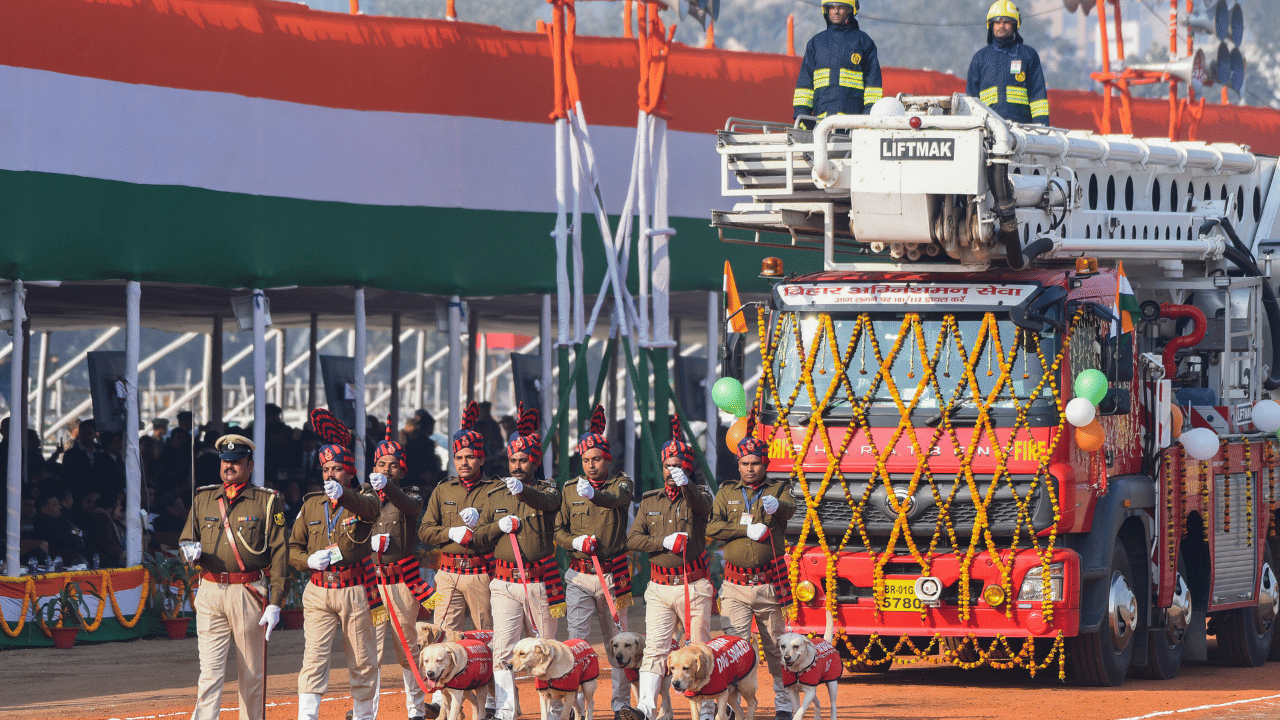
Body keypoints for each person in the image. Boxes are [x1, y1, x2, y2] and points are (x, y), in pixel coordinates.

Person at [179, 434, 287, 720]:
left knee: (251, 672)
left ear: (249, 466)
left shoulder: (266, 501)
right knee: (209, 672)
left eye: (236, 462)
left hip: (247, 591)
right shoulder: (204, 499)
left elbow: (279, 555)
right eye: (225, 461)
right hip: (210, 590)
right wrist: (188, 552)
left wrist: (275, 601)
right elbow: (186, 541)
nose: (229, 466)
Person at [474, 404, 565, 720]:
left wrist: (524, 492)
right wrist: (496, 527)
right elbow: (479, 537)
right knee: (502, 649)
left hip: (539, 581)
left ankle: (553, 709)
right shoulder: (496, 494)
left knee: (545, 648)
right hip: (503, 583)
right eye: (512, 460)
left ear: (535, 461)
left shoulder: (548, 488)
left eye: (523, 460)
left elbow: (549, 503)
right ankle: (505, 709)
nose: (516, 465)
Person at [623, 417, 715, 720]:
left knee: (697, 650)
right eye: (667, 465)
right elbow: (634, 538)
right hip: (660, 587)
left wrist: (686, 483)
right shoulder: (651, 500)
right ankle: (646, 709)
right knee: (655, 649)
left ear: (688, 468)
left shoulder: (699, 496)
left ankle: (705, 709)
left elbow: (702, 506)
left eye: (677, 465)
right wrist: (664, 541)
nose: (671, 471)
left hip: (694, 585)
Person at [289, 434, 382, 720]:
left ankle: (364, 715)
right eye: (326, 469)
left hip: (355, 589)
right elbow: (293, 549)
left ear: (350, 472)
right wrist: (307, 561)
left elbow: (370, 510)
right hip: (318, 589)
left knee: (362, 659)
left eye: (337, 468)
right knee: (314, 657)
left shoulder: (365, 500)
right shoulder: (311, 506)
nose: (330, 474)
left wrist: (344, 495)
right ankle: (308, 716)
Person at [707, 431, 797, 720]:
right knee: (736, 648)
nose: (749, 468)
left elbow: (791, 508)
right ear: (738, 464)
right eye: (744, 463)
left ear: (765, 464)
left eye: (755, 463)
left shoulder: (779, 489)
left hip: (769, 584)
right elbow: (712, 528)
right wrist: (744, 529)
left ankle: (783, 702)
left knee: (776, 647)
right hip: (734, 585)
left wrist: (778, 507)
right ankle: (733, 705)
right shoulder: (726, 492)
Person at [554, 405, 633, 717]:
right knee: (577, 642)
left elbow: (615, 501)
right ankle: (573, 705)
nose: (591, 465)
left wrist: (594, 496)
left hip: (614, 577)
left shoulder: (621, 484)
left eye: (596, 459)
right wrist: (574, 541)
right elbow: (558, 530)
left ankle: (621, 704)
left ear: (607, 459)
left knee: (620, 644)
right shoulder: (569, 488)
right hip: (579, 574)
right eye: (586, 460)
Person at [365, 420, 436, 720]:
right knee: (369, 650)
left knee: (408, 645)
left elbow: (410, 507)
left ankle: (416, 710)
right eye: (382, 464)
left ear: (402, 469)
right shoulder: (363, 498)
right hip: (370, 582)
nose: (387, 469)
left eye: (393, 465)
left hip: (401, 582)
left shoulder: (413, 493)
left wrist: (390, 489)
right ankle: (365, 711)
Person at [418, 401, 500, 636]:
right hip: (447, 573)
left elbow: (503, 530)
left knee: (487, 634)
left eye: (470, 457)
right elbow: (425, 530)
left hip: (481, 573)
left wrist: (482, 523)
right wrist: (450, 533)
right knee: (443, 636)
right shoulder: (444, 489)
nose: (463, 462)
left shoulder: (495, 488)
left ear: (481, 459)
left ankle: (491, 674)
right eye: (459, 457)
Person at [792, 0, 882, 126]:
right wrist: (803, 119)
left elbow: (873, 87)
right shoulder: (816, 43)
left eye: (841, 7)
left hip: (854, 125)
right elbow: (804, 86)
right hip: (821, 124)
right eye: (832, 7)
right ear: (826, 10)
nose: (835, 11)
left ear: (850, 10)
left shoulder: (863, 42)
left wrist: (868, 120)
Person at [966, 1, 1049, 124]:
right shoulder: (980, 58)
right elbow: (971, 100)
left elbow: (1038, 97)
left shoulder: (1028, 55)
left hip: (1022, 130)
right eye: (997, 22)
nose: (1001, 26)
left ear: (1015, 24)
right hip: (988, 129)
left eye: (1006, 22)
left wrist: (1041, 130)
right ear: (991, 25)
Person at [31, 492, 86, 566]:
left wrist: (74, 532)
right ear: (44, 509)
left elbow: (78, 531)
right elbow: (73, 540)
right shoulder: (45, 523)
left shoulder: (61, 519)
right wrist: (75, 533)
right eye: (55, 505)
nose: (60, 507)